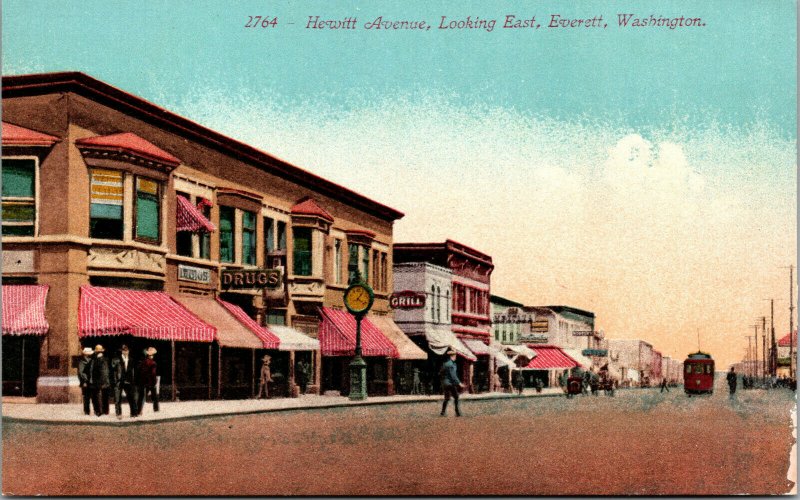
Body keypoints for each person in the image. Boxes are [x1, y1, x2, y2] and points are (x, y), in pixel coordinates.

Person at [111, 344, 138, 419]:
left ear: (129, 351)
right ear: (122, 351)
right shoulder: (116, 360)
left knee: (131, 398)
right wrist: (116, 381)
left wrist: (132, 380)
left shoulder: (131, 359)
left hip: (129, 381)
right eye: (124, 351)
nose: (126, 352)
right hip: (119, 381)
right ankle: (118, 414)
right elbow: (113, 372)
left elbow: (133, 371)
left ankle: (133, 413)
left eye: (127, 350)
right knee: (118, 399)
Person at [440, 348, 463, 416]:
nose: (455, 357)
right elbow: (453, 375)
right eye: (455, 356)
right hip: (451, 384)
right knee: (456, 397)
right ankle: (457, 411)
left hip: (445, 383)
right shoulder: (451, 365)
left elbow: (441, 373)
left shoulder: (445, 364)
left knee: (446, 398)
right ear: (452, 356)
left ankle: (443, 411)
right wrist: (459, 383)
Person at [89, 344, 111, 417]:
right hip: (98, 382)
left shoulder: (102, 360)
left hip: (100, 382)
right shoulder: (96, 359)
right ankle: (103, 411)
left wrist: (103, 382)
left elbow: (104, 372)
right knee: (101, 397)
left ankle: (100, 412)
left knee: (98, 397)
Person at [138, 347, 159, 413]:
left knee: (141, 397)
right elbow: (153, 373)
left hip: (143, 381)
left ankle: (139, 410)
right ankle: (156, 409)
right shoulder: (153, 363)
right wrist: (154, 382)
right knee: (154, 396)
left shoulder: (142, 362)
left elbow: (140, 371)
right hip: (151, 382)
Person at [78, 347, 94, 416]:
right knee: (86, 397)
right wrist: (84, 381)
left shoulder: (91, 360)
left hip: (91, 381)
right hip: (85, 382)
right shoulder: (82, 362)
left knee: (93, 396)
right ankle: (86, 411)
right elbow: (81, 373)